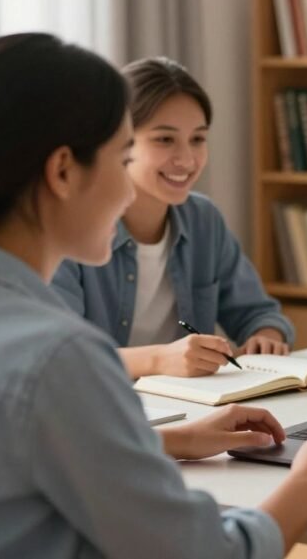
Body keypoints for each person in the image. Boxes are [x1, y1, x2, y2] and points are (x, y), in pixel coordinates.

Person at [0, 33, 307, 558]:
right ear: (63, 171)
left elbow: (10, 464)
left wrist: (171, 440)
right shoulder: (59, 357)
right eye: (122, 154)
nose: (130, 188)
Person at [52, 56, 292, 379]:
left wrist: (267, 336)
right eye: (164, 139)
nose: (187, 159)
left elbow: (257, 312)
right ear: (118, 141)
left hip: (191, 410)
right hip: (102, 411)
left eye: (198, 139)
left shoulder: (203, 219)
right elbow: (60, 356)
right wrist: (159, 360)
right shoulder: (69, 229)